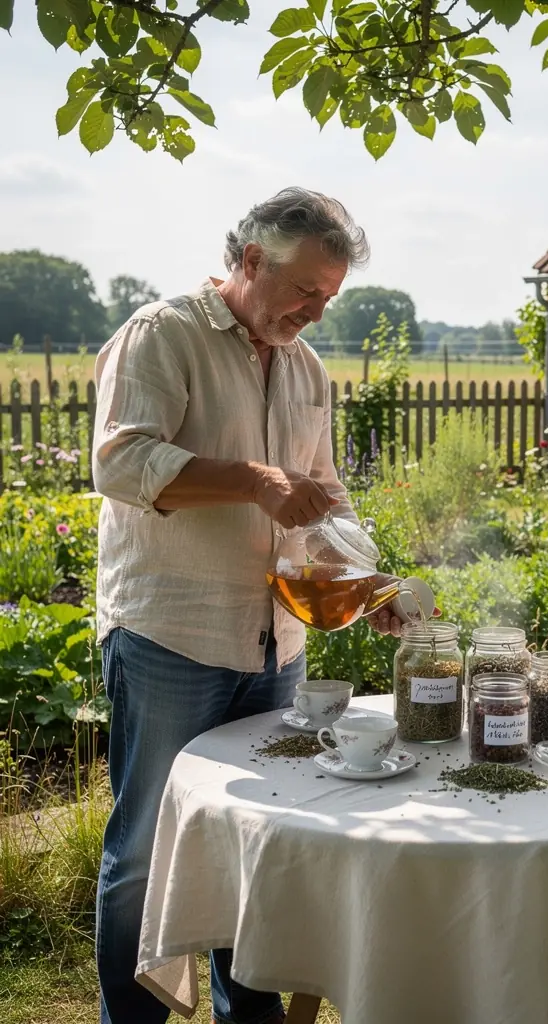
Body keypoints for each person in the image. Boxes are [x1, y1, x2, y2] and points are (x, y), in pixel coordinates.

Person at [92, 187, 372, 1024]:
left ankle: (244, 1016)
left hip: (277, 651)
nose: (317, 313)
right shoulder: (162, 333)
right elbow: (120, 463)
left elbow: (325, 496)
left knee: (260, 844)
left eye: (329, 297)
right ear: (251, 261)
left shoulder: (307, 366)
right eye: (304, 292)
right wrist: (253, 482)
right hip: (172, 638)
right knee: (146, 851)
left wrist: (371, 578)